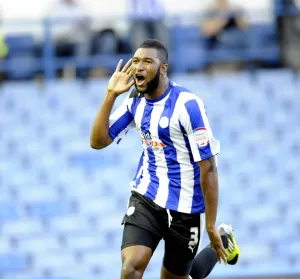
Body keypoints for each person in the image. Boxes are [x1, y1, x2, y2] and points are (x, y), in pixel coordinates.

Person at [90, 39, 240, 279]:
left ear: (163, 68)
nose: (138, 67)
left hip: (186, 207)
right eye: (136, 61)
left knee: (179, 276)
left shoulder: (188, 105)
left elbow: (209, 168)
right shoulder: (134, 100)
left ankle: (220, 239)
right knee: (131, 268)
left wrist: (210, 225)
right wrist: (110, 94)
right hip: (146, 197)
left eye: (147, 61)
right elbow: (98, 141)